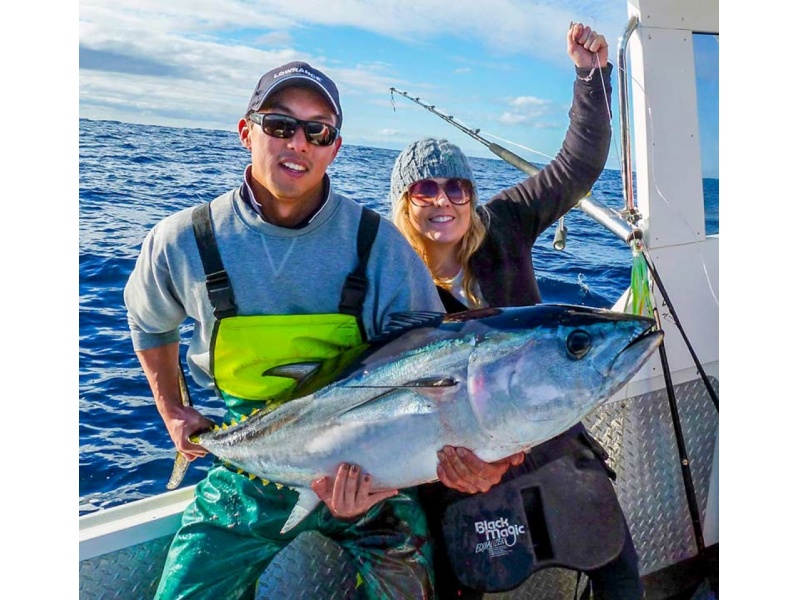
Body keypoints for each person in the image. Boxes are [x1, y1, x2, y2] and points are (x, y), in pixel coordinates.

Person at [124, 61, 444, 599]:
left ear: (334, 149)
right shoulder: (183, 240)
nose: (299, 142)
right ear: (246, 131)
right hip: (250, 468)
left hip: (364, 469)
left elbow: (431, 366)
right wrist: (172, 409)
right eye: (280, 125)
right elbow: (149, 323)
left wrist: (385, 472)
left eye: (318, 131)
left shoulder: (381, 245)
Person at [389, 23, 644, 600]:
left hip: (549, 437)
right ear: (405, 201)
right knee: (465, 581)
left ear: (472, 195)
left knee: (618, 567)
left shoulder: (506, 223)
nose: (443, 201)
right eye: (424, 189)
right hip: (460, 464)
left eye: (457, 187)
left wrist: (590, 76)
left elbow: (576, 166)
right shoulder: (392, 277)